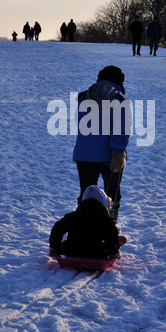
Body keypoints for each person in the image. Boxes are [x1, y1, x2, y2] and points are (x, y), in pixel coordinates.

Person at [73, 65, 131, 221]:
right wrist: (118, 152)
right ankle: (109, 230)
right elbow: (121, 129)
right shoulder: (119, 99)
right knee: (112, 196)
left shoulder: (83, 97)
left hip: (83, 154)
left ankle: (82, 228)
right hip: (109, 156)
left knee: (86, 194)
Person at [49, 185, 120, 258]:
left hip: (72, 251)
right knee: (106, 243)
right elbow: (112, 237)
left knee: (67, 244)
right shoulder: (106, 220)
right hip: (97, 253)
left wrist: (55, 246)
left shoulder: (72, 216)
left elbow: (58, 228)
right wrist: (113, 252)